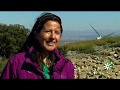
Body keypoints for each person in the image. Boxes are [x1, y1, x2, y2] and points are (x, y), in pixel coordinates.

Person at [0, 12, 76, 79]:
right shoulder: (17, 62)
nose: (53, 37)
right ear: (36, 34)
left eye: (57, 32)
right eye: (48, 31)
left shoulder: (66, 66)